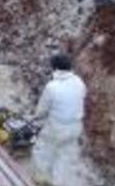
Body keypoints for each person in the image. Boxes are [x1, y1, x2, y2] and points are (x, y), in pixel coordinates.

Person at [31, 54, 87, 186]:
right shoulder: (80, 82)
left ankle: (41, 179)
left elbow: (42, 110)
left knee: (42, 150)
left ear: (55, 68)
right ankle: (57, 182)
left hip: (57, 127)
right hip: (75, 127)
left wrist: (35, 118)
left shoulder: (52, 86)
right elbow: (80, 98)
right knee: (64, 156)